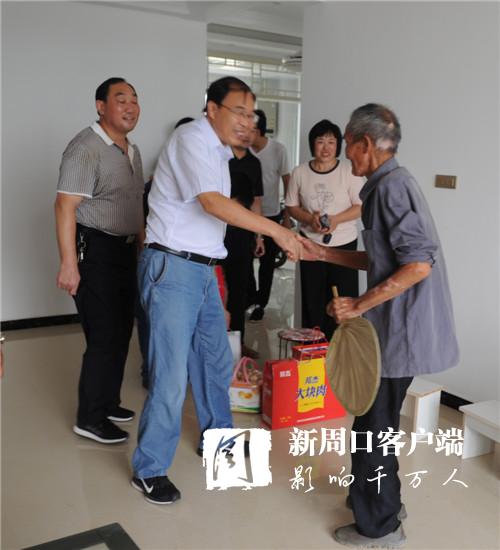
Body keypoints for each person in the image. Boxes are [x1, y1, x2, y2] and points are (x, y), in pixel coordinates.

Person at [131, 76, 302, 505]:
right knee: (171, 374)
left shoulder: (220, 151)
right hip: (173, 267)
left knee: (213, 359)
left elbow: (216, 216)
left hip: (204, 269)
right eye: (238, 111)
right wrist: (276, 231)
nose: (247, 121)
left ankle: (218, 439)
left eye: (251, 113)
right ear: (212, 109)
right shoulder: (192, 138)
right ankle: (149, 469)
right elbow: (211, 203)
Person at [301, 104, 459, 548]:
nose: (344, 153)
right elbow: (383, 259)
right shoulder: (385, 185)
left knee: (373, 426)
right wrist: (324, 253)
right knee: (378, 421)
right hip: (394, 327)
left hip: (399, 330)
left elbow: (418, 264)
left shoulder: (392, 187)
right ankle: (379, 500)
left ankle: (381, 526)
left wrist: (358, 304)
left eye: (347, 143)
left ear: (364, 143)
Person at [55, 77, 144, 444]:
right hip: (95, 250)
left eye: (135, 100)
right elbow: (65, 206)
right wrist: (68, 264)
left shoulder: (131, 150)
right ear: (100, 106)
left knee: (121, 330)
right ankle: (89, 417)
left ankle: (108, 402)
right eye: (121, 100)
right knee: (104, 334)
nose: (130, 107)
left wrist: (141, 246)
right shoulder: (85, 148)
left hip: (125, 250)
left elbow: (135, 205)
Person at [286, 119, 364, 340]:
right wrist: (310, 219)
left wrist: (336, 220)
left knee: (343, 301)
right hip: (310, 245)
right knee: (313, 298)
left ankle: (342, 347)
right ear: (312, 144)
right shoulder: (300, 172)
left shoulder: (349, 171)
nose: (326, 147)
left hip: (344, 246)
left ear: (338, 145)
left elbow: (361, 206)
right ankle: (313, 350)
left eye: (331, 142)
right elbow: (291, 206)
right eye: (321, 141)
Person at [137, 117, 195, 390]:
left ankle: (175, 373)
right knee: (155, 322)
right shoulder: (157, 182)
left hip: (192, 265)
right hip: (163, 262)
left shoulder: (203, 179)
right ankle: (152, 373)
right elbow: (141, 220)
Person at [247, 109, 291, 321]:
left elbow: (287, 182)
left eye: (250, 128)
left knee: (266, 265)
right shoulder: (242, 150)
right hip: (245, 217)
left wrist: (287, 216)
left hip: (271, 215)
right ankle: (249, 297)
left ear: (259, 131)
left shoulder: (278, 150)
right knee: (245, 261)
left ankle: (260, 304)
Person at [223, 129, 264, 358]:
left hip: (242, 235)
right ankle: (215, 344)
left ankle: (237, 343)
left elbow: (256, 201)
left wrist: (259, 235)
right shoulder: (219, 157)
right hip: (215, 233)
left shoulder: (254, 164)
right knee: (217, 290)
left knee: (239, 291)